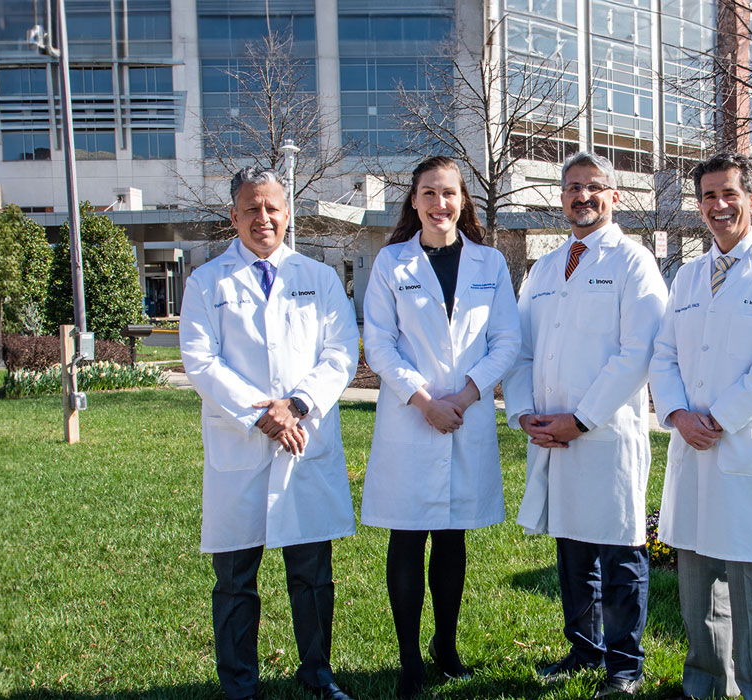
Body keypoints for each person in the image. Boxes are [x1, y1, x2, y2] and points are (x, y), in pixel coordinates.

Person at [179, 168, 361, 700]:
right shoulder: (206, 282)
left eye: (272, 208)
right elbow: (200, 360)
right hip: (242, 444)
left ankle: (317, 674)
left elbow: (340, 352)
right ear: (233, 216)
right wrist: (263, 415)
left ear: (288, 213)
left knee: (312, 575)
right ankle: (240, 686)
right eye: (251, 209)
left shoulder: (320, 277)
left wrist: (297, 406)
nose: (263, 219)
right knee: (235, 579)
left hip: (303, 441)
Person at [647, 153, 752, 700]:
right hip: (691, 447)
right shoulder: (690, 275)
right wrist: (675, 414)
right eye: (708, 197)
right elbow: (664, 353)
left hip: (743, 449)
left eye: (729, 194)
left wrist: (715, 418)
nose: (719, 206)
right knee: (698, 587)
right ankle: (705, 685)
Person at [504, 151, 668, 698]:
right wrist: (524, 413)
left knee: (619, 550)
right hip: (551, 434)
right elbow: (522, 351)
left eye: (594, 187)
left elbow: (636, 352)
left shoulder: (633, 262)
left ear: (613, 196)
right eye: (573, 187)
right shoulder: (545, 268)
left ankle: (623, 667)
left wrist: (580, 419)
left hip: (605, 435)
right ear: (561, 196)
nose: (582, 197)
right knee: (572, 545)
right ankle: (584, 649)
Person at [360, 156, 521, 698]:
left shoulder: (490, 264)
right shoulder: (390, 263)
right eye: (428, 193)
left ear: (463, 201)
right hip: (412, 419)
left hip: (466, 417)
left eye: (449, 193)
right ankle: (409, 657)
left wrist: (469, 393)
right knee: (407, 537)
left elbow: (506, 341)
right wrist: (425, 400)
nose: (439, 204)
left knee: (452, 540)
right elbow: (379, 343)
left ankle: (445, 647)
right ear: (413, 201)